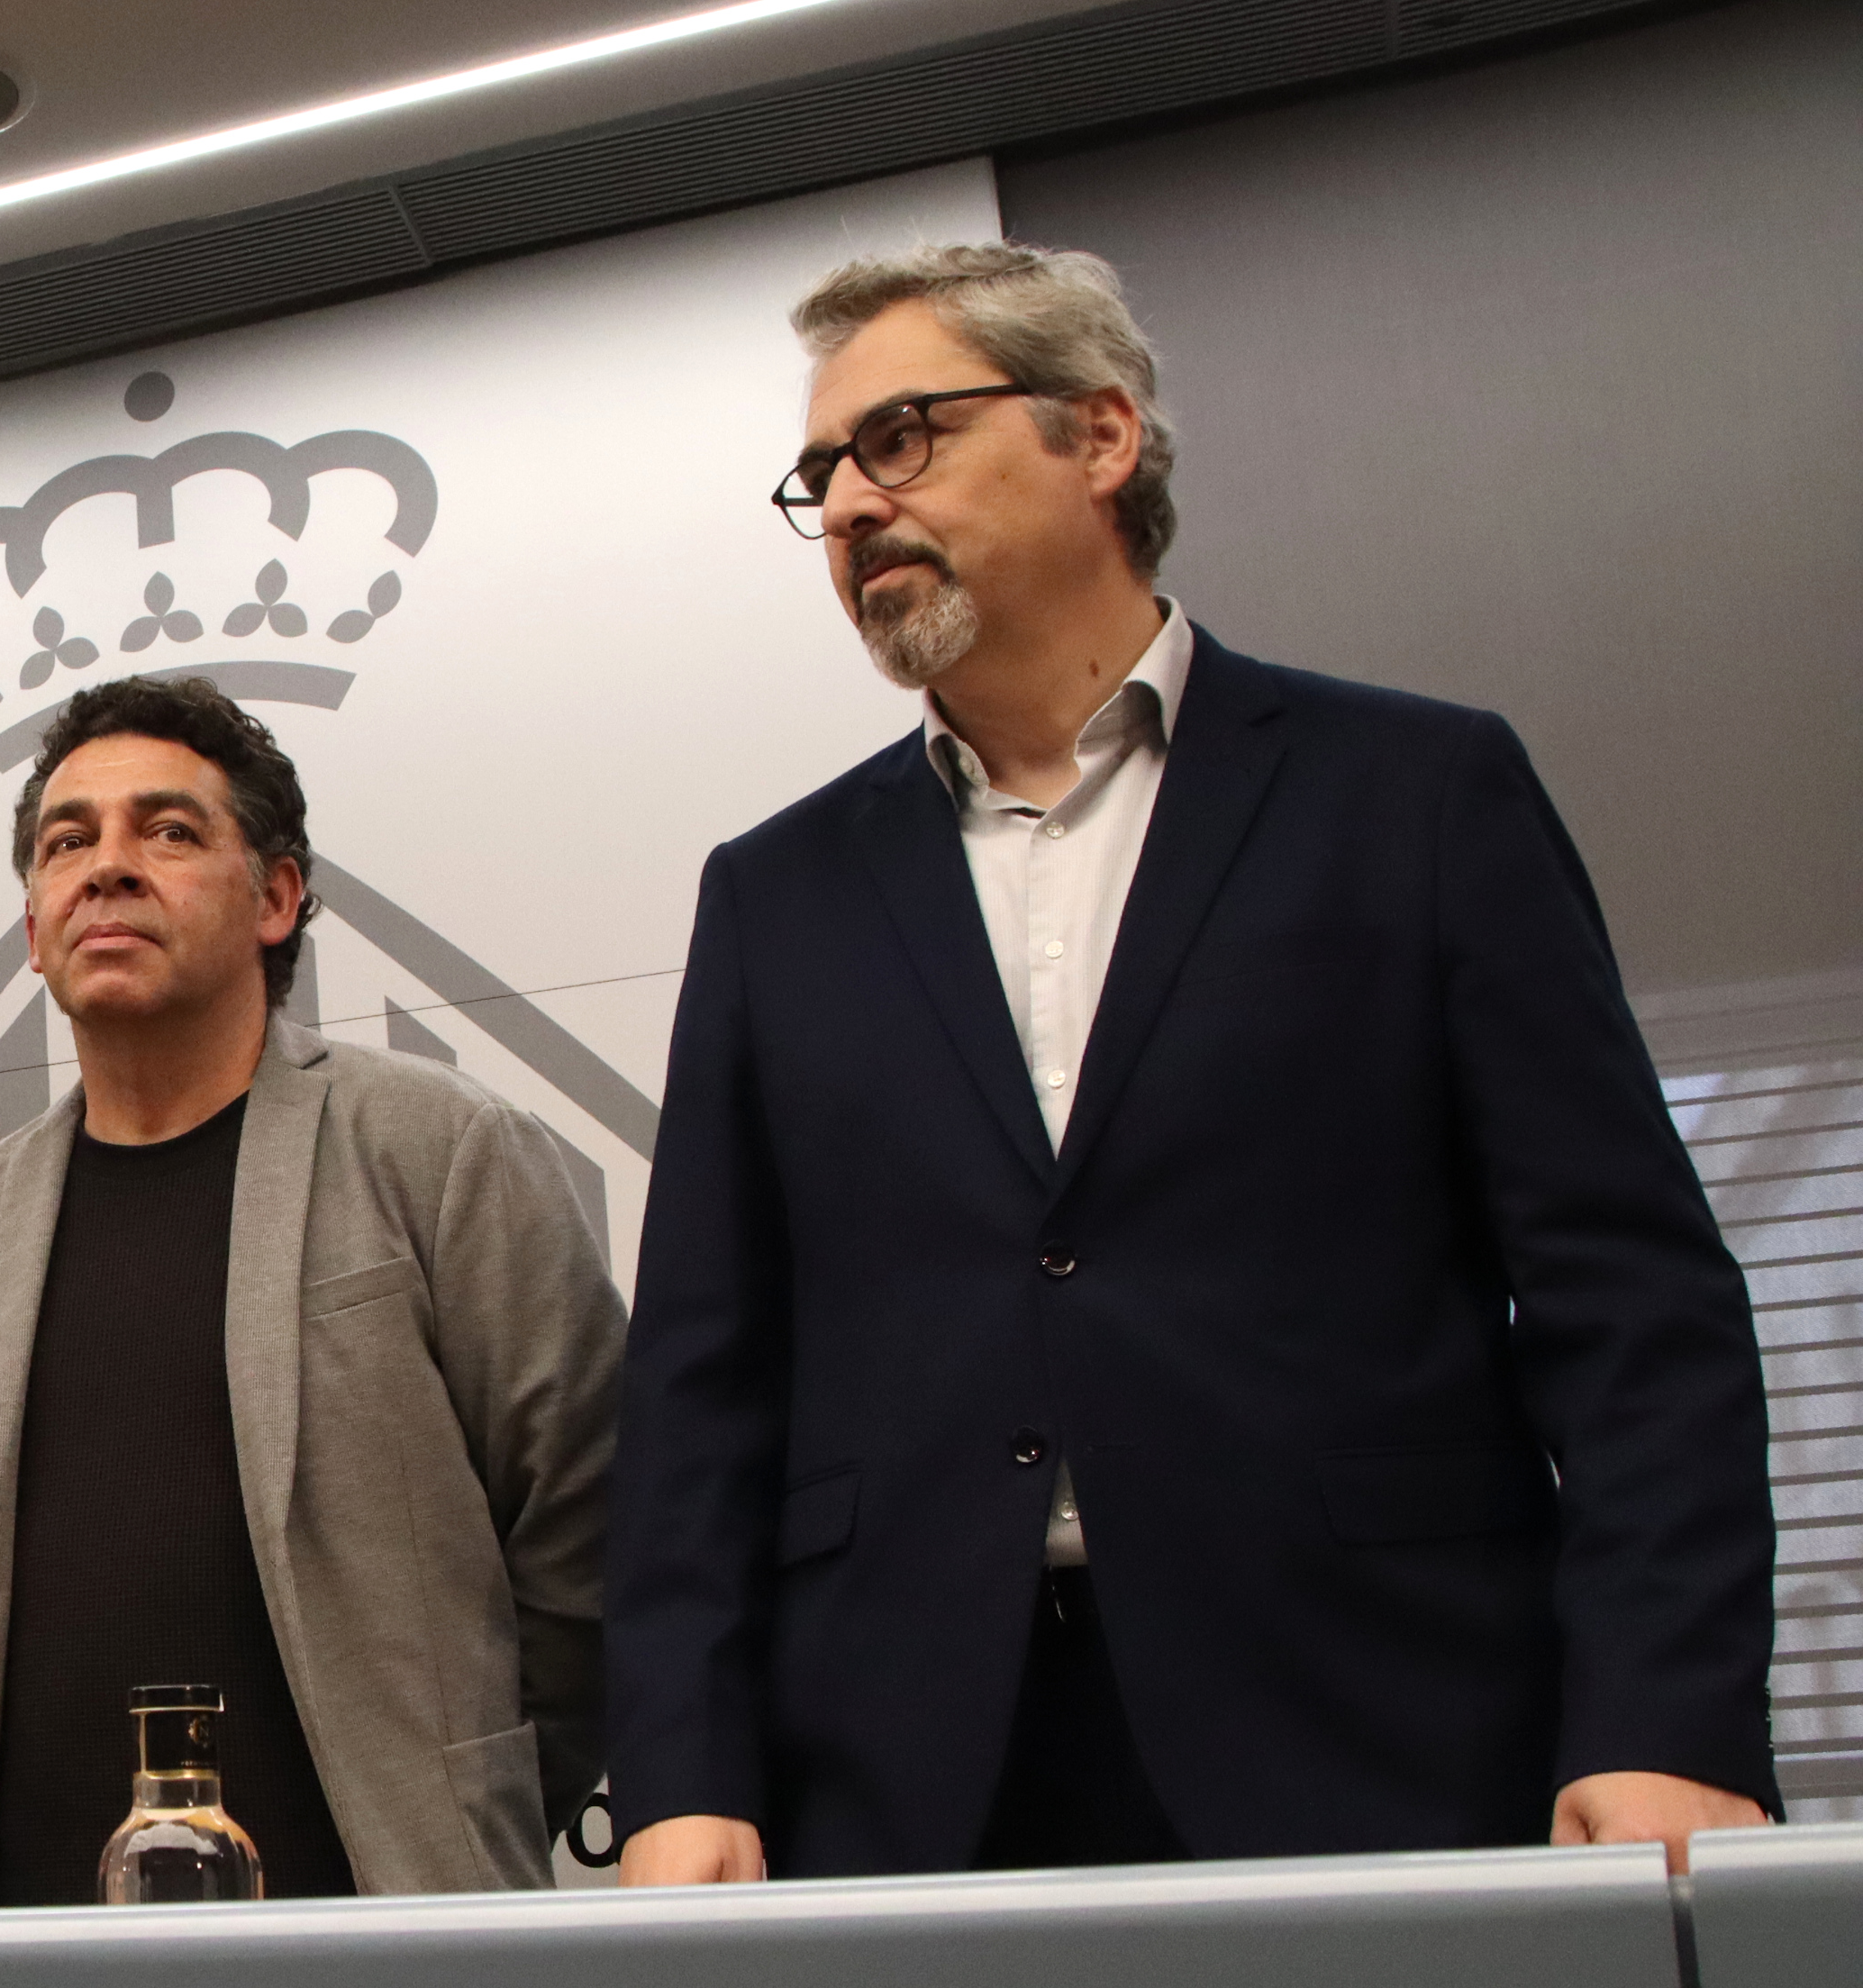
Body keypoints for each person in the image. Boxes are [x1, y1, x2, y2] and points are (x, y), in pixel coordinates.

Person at [609, 242, 1778, 1886]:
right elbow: (700, 1388)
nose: (853, 503)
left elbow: (1629, 1300)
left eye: (901, 438)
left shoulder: (1416, 793)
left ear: (1099, 438)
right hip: (906, 1767)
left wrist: (1666, 1713)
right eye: (820, 474)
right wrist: (679, 1767)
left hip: (1377, 1727)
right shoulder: (774, 891)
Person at [0, 676, 623, 1903]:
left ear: (278, 898)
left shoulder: (441, 1150)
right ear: (33, 930)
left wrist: (444, 1797)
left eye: (170, 831)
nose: (109, 867)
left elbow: (596, 1538)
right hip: (33, 1947)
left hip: (379, 1935)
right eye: (67, 842)